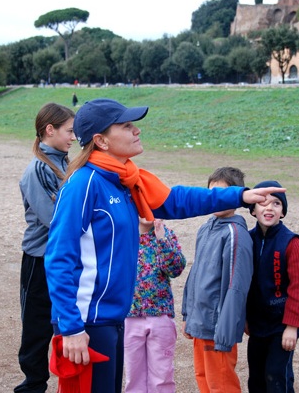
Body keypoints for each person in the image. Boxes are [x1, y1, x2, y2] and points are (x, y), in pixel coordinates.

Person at [44, 98, 285, 393]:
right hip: (87, 321)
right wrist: (70, 328)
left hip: (110, 318)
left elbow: (176, 200)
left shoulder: (126, 180)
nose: (137, 130)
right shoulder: (84, 184)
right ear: (101, 141)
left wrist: (240, 196)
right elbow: (58, 258)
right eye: (127, 125)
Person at [15, 103, 76, 393]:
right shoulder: (39, 169)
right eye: (69, 131)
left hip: (64, 258)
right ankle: (33, 386)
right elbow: (56, 220)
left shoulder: (65, 163)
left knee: (67, 324)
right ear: (49, 130)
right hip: (40, 260)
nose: (73, 137)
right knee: (37, 329)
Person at [181, 166, 254, 393]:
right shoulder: (206, 228)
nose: (216, 200)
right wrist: (187, 314)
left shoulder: (235, 234)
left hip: (217, 329)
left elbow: (236, 287)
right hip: (200, 323)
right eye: (212, 194)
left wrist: (225, 331)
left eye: (223, 194)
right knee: (203, 378)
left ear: (236, 196)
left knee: (221, 385)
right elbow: (196, 274)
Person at [245, 180, 299, 393]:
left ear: (282, 212)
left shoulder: (292, 243)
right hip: (258, 321)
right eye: (263, 203)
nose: (269, 208)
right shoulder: (247, 239)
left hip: (283, 322)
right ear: (253, 210)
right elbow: (243, 283)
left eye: (276, 204)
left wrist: (292, 326)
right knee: (256, 375)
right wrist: (245, 317)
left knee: (276, 374)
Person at [124, 217, 186, 393]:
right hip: (129, 315)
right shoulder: (125, 236)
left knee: (162, 375)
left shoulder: (165, 235)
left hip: (160, 315)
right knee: (133, 375)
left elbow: (176, 269)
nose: (147, 213)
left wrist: (162, 240)